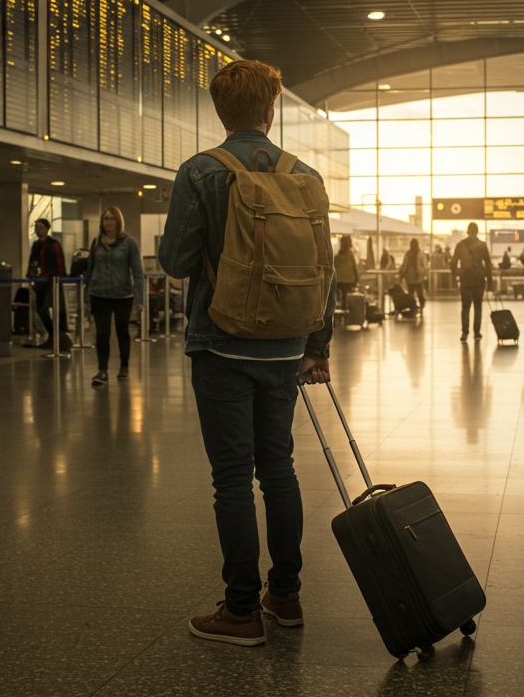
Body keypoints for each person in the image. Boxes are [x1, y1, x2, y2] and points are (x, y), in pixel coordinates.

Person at [159, 59, 336, 647]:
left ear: (220, 111)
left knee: (232, 478)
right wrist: (316, 346)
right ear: (270, 110)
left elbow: (175, 261)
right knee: (278, 469)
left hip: (222, 345)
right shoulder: (305, 174)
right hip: (285, 348)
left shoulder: (201, 171)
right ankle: (284, 595)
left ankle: (240, 611)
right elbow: (325, 270)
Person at [86, 205, 145, 385]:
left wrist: (139, 299)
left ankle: (124, 366)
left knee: (122, 331)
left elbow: (138, 272)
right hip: (99, 294)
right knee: (102, 333)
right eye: (106, 219)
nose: (108, 222)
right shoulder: (96, 242)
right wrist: (86, 297)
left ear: (118, 222)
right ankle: (102, 370)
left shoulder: (129, 243)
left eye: (112, 219)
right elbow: (90, 270)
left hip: (122, 295)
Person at [27, 217, 68, 349]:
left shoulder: (53, 244)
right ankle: (53, 333)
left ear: (47, 229)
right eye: (36, 227)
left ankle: (58, 334)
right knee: (40, 308)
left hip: (52, 281)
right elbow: (32, 262)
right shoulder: (36, 245)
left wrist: (59, 276)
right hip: (40, 282)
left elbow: (59, 262)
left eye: (41, 227)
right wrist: (31, 274)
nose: (38, 230)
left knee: (46, 307)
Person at [452, 222, 493, 342]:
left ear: (467, 231)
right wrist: (490, 281)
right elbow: (488, 264)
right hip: (479, 280)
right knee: (478, 306)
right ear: (477, 232)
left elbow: (453, 263)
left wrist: (455, 277)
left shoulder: (460, 245)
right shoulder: (482, 245)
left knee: (465, 307)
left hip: (465, 280)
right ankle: (477, 333)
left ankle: (465, 332)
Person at [399, 238, 427, 313]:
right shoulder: (419, 254)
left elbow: (404, 265)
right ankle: (416, 307)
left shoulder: (409, 254)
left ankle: (414, 307)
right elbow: (424, 266)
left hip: (413, 277)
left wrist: (403, 273)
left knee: (414, 294)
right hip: (414, 277)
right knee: (416, 294)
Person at [335, 234, 359, 300]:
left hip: (339, 280)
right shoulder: (351, 256)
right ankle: (345, 305)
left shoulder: (337, 257)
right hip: (349, 280)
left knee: (339, 298)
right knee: (347, 298)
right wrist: (356, 279)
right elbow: (354, 268)